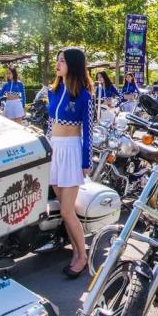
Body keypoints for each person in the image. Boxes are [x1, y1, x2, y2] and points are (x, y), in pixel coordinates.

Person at [48, 48, 94, 278]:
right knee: (66, 211)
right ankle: (75, 250)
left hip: (72, 152)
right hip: (55, 150)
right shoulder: (53, 91)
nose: (57, 64)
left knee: (67, 211)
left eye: (63, 61)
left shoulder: (84, 95)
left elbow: (88, 131)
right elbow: (49, 125)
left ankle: (83, 256)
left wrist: (86, 161)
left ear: (73, 65)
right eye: (57, 60)